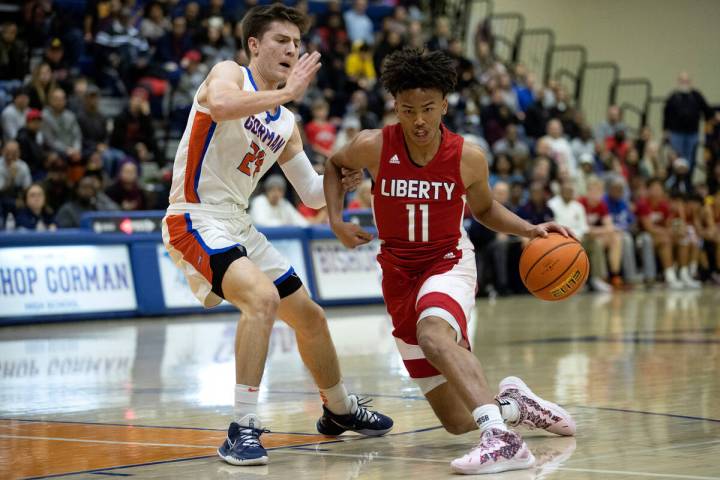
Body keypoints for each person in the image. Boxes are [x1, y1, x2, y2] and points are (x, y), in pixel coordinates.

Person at [160, 4, 392, 468]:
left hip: (239, 225)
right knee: (262, 299)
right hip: (194, 217)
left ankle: (339, 410)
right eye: (281, 41)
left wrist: (341, 185)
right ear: (253, 46)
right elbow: (221, 106)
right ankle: (241, 428)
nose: (291, 49)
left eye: (296, 43)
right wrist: (284, 92)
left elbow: (309, 192)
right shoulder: (228, 75)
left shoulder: (285, 123)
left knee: (311, 318)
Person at [324, 49, 576, 475]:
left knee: (434, 334)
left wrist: (530, 230)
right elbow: (334, 165)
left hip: (448, 261)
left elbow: (484, 210)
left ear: (444, 105)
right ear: (395, 108)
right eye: (408, 110)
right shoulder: (373, 146)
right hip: (398, 275)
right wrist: (336, 220)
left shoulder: (468, 156)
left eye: (427, 109)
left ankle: (502, 440)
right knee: (457, 420)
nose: (419, 120)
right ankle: (514, 407)